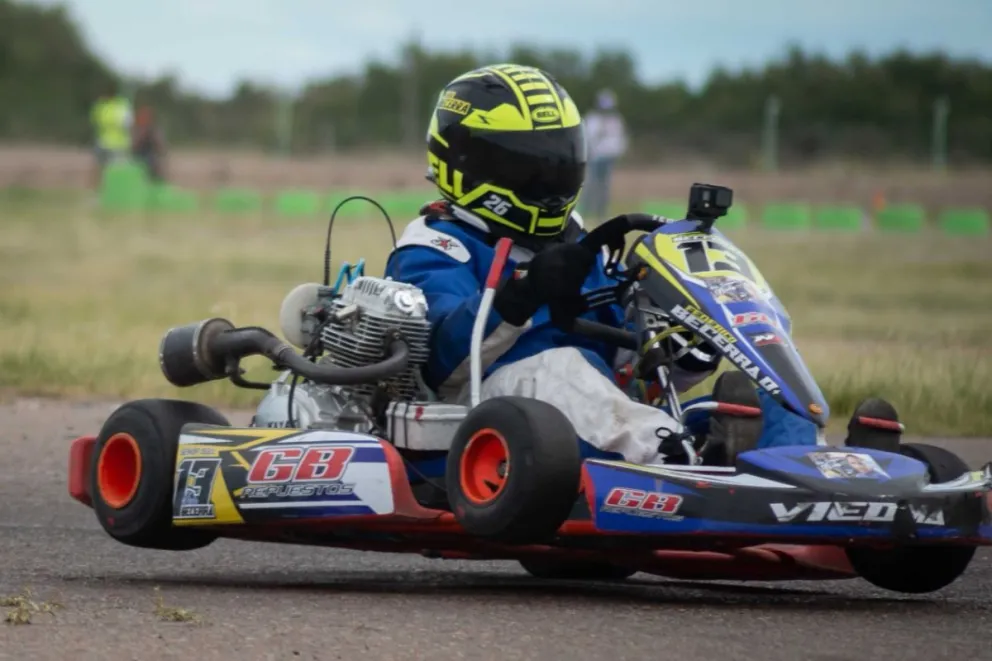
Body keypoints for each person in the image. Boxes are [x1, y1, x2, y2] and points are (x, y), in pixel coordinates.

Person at [384, 64, 817, 467]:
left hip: (593, 421)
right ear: (466, 163)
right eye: (530, 166)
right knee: (561, 368)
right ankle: (680, 466)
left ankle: (802, 471)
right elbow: (442, 361)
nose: (551, 179)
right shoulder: (436, 244)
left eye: (559, 161)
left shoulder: (576, 244)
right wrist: (523, 291)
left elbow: (623, 364)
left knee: (766, 396)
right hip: (483, 419)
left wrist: (680, 346)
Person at [580, 89, 628, 222]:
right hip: (595, 157)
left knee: (604, 186)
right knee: (590, 185)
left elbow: (619, 139)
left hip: (608, 158)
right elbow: (587, 136)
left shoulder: (616, 119)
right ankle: (586, 210)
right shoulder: (592, 118)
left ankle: (601, 211)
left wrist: (618, 152)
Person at [89, 84, 133, 190]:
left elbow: (127, 124)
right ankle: (100, 193)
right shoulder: (104, 105)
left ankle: (115, 193)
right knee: (100, 170)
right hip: (104, 142)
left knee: (115, 172)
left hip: (117, 144)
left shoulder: (120, 106)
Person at [131, 105, 167, 182]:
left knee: (155, 165)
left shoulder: (154, 129)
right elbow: (133, 146)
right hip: (138, 156)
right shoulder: (136, 129)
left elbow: (160, 145)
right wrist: (141, 135)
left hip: (150, 155)